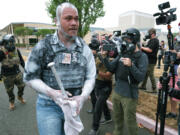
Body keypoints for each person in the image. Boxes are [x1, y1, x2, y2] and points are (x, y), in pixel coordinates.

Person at [23, 2, 96, 135]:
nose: (74, 22)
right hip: (49, 106)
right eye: (68, 18)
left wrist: (83, 96)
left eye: (76, 18)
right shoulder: (43, 46)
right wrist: (52, 93)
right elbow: (29, 77)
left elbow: (91, 77)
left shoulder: (84, 48)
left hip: (74, 106)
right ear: (56, 21)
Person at [103, 28, 148, 135]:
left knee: (130, 121)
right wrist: (104, 56)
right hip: (117, 92)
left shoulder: (142, 56)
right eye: (125, 39)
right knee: (117, 119)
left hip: (130, 94)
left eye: (128, 39)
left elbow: (140, 77)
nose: (126, 41)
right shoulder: (123, 53)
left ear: (135, 40)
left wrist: (131, 65)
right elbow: (111, 68)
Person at [88, 46, 112, 135]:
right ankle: (108, 117)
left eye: (104, 49)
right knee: (102, 102)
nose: (102, 51)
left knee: (98, 107)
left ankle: (95, 128)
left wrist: (97, 72)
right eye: (101, 49)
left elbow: (108, 76)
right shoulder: (97, 57)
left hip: (105, 85)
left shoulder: (110, 61)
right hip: (98, 83)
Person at [0, 34, 26, 110]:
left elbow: (21, 61)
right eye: (9, 42)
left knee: (22, 86)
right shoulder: (1, 52)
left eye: (12, 42)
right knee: (9, 91)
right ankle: (12, 102)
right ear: (5, 43)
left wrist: (26, 70)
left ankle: (20, 96)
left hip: (17, 73)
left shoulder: (16, 50)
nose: (11, 44)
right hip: (6, 75)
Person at [140, 28, 159, 93]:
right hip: (148, 59)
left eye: (149, 33)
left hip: (151, 60)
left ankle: (154, 89)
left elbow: (150, 50)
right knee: (146, 73)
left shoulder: (155, 40)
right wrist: (143, 45)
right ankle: (143, 86)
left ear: (153, 34)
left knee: (150, 74)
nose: (148, 35)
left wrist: (141, 47)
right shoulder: (151, 40)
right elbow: (147, 48)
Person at [87, 33, 100, 114]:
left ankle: (96, 109)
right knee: (94, 94)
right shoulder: (94, 54)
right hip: (94, 77)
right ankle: (95, 108)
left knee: (95, 95)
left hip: (97, 77)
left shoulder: (98, 56)